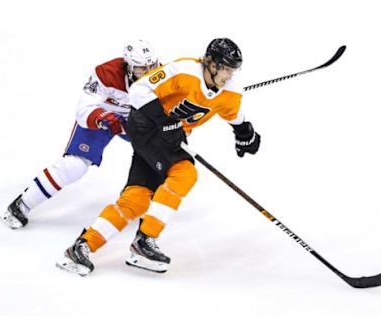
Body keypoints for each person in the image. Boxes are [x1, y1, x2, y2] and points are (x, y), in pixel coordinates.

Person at [56, 38, 261, 276]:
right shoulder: (183, 70)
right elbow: (139, 89)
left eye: (233, 69)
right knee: (184, 172)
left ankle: (82, 247)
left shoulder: (230, 90)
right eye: (225, 68)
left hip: (166, 139)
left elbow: (233, 112)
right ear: (211, 64)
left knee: (137, 200)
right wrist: (165, 122)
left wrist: (245, 132)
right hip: (144, 126)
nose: (230, 74)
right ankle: (145, 241)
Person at [1, 40, 160, 229]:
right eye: (141, 69)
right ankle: (22, 204)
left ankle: (136, 202)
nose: (149, 73)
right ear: (128, 66)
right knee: (75, 166)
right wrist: (103, 118)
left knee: (161, 158)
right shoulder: (106, 73)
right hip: (104, 117)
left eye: (152, 66)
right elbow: (84, 109)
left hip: (136, 121)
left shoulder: (164, 76)